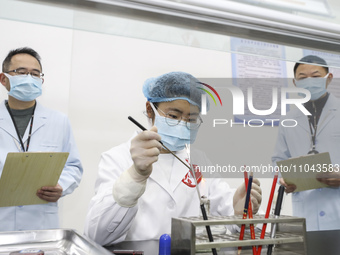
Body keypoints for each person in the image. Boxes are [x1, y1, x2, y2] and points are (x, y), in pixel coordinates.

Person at [84, 71, 262, 245]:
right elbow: (97, 236)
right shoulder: (117, 158)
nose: (182, 124)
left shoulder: (199, 160)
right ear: (150, 109)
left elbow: (227, 224)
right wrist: (134, 177)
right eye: (173, 116)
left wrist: (239, 213)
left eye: (191, 119)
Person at [0, 47, 83, 231]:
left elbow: (74, 167)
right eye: (21, 72)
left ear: (41, 80)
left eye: (35, 74)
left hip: (41, 223)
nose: (29, 78)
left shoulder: (58, 121)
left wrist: (61, 186)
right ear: (4, 79)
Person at [272, 55, 340, 231]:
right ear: (295, 83)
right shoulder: (288, 119)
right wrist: (283, 179)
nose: (309, 81)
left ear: (329, 78)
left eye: (316, 76)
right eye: (302, 77)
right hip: (306, 212)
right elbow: (278, 159)